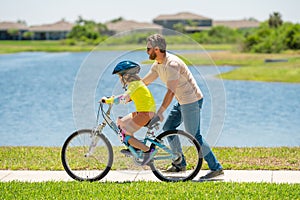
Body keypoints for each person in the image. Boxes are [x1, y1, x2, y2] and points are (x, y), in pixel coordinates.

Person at [142, 34, 224, 179]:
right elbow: (145, 81)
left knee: (194, 135)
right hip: (182, 101)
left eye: (148, 49)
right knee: (168, 128)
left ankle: (216, 167)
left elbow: (171, 91)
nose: (146, 52)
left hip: (191, 100)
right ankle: (179, 163)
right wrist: (130, 89)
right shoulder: (158, 65)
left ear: (156, 49)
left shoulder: (172, 64)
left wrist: (160, 111)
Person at [101, 60, 156, 165]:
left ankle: (147, 151)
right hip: (143, 112)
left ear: (125, 76)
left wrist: (108, 100)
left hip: (145, 114)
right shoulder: (136, 84)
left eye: (119, 76)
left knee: (125, 134)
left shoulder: (134, 85)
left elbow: (123, 99)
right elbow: (129, 98)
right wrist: (113, 99)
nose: (119, 79)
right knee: (121, 122)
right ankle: (135, 148)